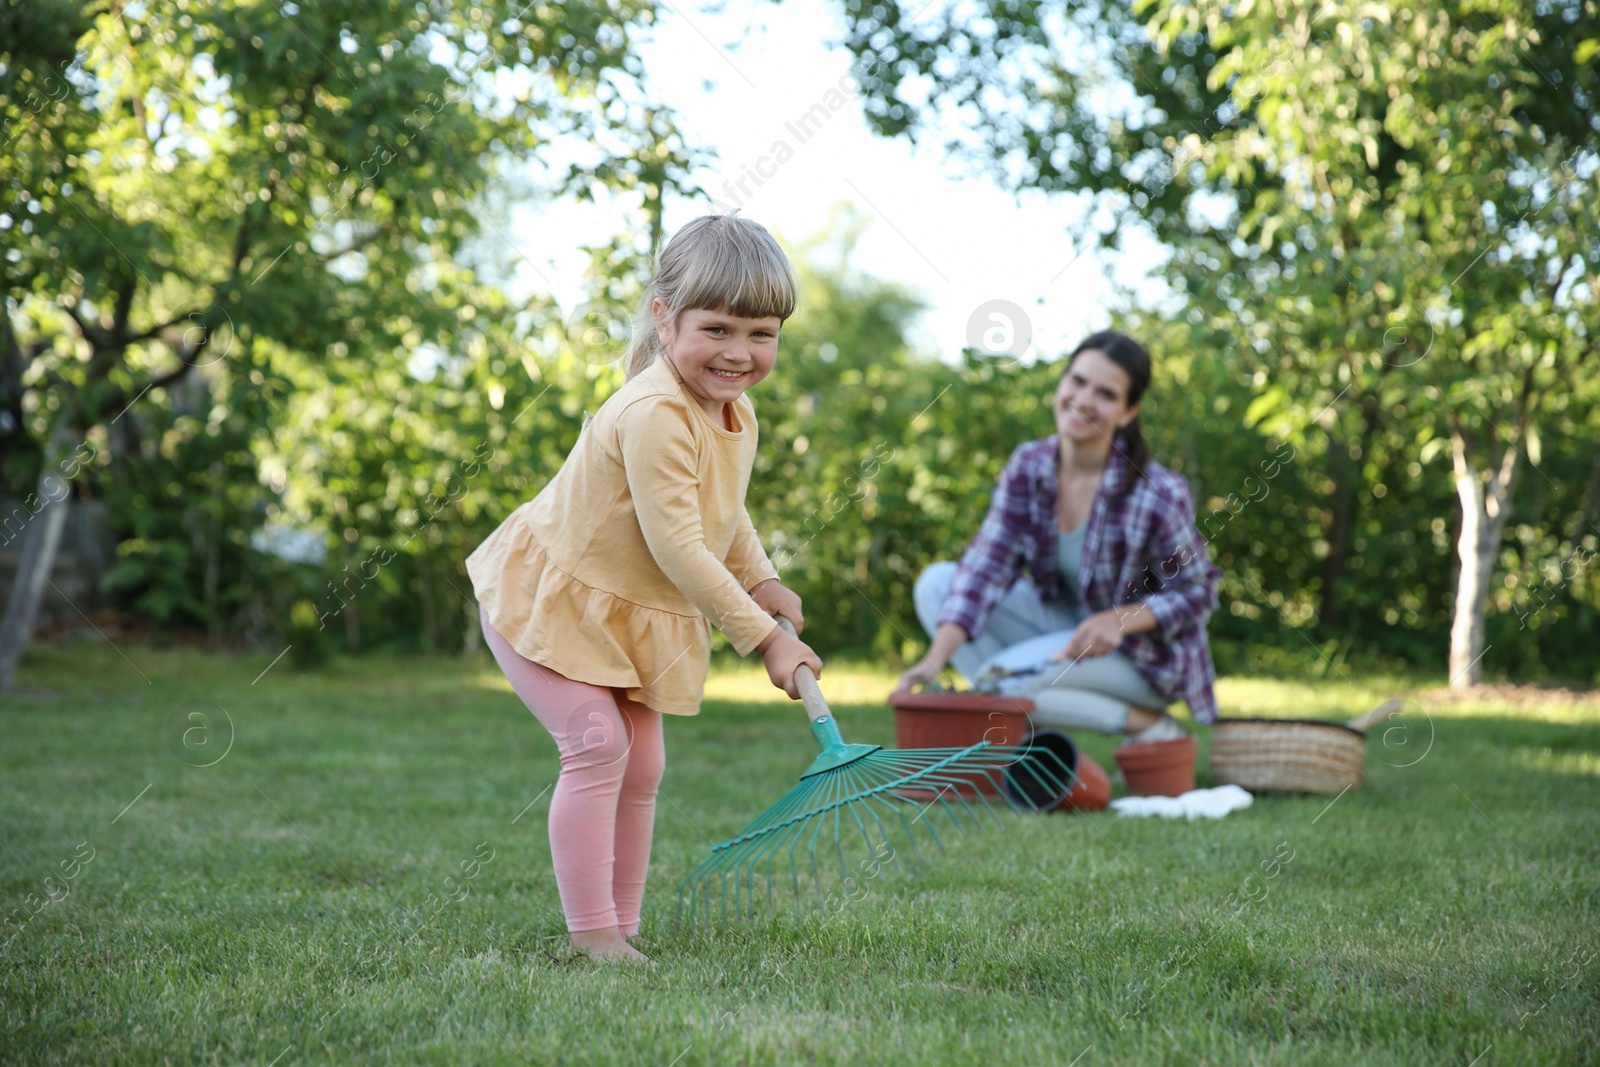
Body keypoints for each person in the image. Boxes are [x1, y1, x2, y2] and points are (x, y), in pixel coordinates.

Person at [466, 214, 821, 965]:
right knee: (597, 746)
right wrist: (764, 638)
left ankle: (623, 928)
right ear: (665, 318)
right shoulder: (654, 412)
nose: (739, 352)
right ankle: (593, 934)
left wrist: (763, 577)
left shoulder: (735, 410)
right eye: (717, 328)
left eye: (761, 333)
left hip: (625, 610)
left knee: (645, 764)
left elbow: (723, 508)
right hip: (552, 598)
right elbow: (680, 546)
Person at [896, 330, 1221, 744]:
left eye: (1105, 394)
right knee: (937, 584)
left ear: (1128, 411)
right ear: (1062, 383)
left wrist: (1119, 620)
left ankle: (1152, 726)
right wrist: (933, 661)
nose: (1084, 401)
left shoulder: (1157, 491)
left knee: (1001, 682)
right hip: (1067, 629)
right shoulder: (1029, 466)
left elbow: (1197, 592)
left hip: (1142, 656)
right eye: (1078, 382)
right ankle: (1017, 720)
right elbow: (985, 568)